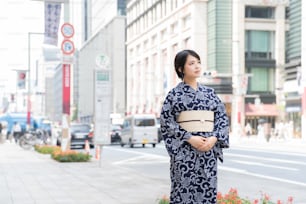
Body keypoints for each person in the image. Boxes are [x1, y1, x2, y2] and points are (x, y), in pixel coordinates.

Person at [160, 49, 229, 204]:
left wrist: (214, 138)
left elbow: (222, 118)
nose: (197, 66)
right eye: (191, 63)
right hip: (184, 152)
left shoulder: (210, 93)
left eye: (198, 62)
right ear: (180, 68)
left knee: (208, 192)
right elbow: (166, 122)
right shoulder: (174, 95)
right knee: (183, 192)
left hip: (207, 151)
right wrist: (189, 138)